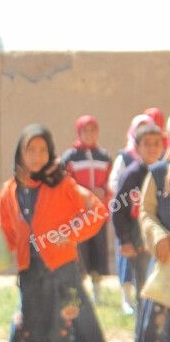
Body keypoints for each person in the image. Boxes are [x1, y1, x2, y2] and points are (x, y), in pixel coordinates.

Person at [0, 124, 110, 342]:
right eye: (30, 150)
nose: (36, 156)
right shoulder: (9, 190)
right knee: (21, 330)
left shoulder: (62, 184)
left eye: (42, 150)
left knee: (58, 335)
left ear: (50, 153)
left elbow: (97, 211)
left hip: (61, 272)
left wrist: (72, 232)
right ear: (20, 153)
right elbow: (8, 229)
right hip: (30, 273)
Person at [112, 123, 165, 334]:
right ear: (137, 147)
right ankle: (143, 336)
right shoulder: (132, 175)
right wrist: (125, 240)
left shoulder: (163, 173)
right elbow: (118, 210)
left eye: (156, 144)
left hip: (162, 242)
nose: (152, 148)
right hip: (140, 243)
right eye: (146, 144)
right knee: (145, 290)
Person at [61, 115, 112, 304]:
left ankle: (97, 292)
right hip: (77, 215)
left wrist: (104, 190)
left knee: (98, 252)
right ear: (79, 132)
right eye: (85, 131)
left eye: (93, 130)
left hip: (98, 213)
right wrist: (85, 193)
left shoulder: (104, 156)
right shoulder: (70, 156)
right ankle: (80, 292)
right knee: (80, 252)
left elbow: (111, 180)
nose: (89, 134)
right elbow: (64, 183)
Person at [136, 149, 170, 342]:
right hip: (165, 263)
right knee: (159, 330)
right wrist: (159, 237)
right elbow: (146, 211)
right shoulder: (159, 173)